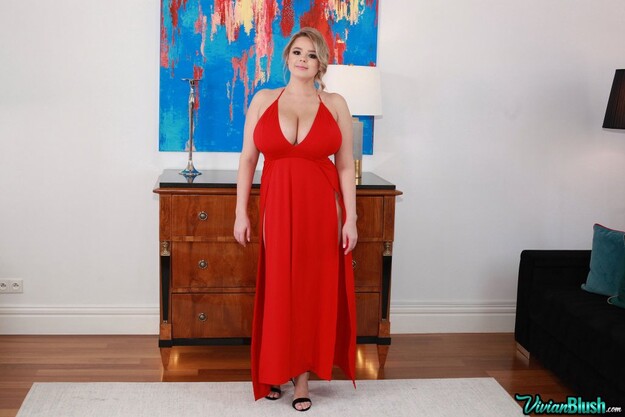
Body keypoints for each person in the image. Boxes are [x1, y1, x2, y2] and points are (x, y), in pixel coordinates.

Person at [233, 27, 358, 412]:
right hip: (277, 208)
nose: (304, 59)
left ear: (321, 64)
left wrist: (351, 218)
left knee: (309, 292)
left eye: (312, 54)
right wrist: (240, 212)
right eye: (298, 52)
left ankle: (302, 380)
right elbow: (248, 160)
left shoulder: (335, 104)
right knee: (279, 289)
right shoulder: (263, 100)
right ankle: (275, 369)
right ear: (287, 57)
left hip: (322, 211)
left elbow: (345, 166)